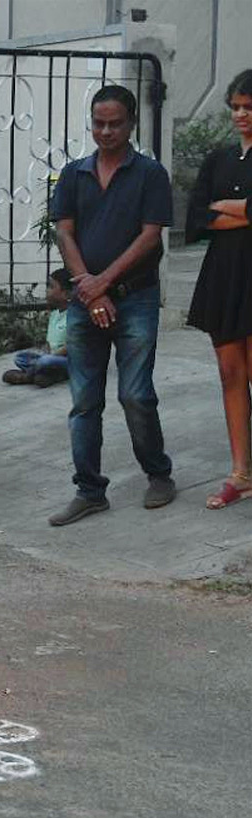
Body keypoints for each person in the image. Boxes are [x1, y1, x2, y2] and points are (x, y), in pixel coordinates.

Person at [48, 84, 175, 526]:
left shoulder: (150, 175)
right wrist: (89, 286)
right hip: (86, 302)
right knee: (84, 401)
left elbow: (149, 235)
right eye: (98, 123)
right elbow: (65, 232)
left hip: (136, 299)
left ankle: (158, 473)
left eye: (115, 123)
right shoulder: (73, 174)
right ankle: (89, 490)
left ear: (131, 123)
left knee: (135, 394)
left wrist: (103, 283)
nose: (105, 131)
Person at [185, 70, 252, 510]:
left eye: (249, 107)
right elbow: (195, 216)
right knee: (230, 373)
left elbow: (213, 210)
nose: (241, 115)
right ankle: (241, 473)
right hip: (225, 275)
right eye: (236, 107)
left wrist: (224, 208)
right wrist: (245, 210)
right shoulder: (219, 158)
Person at [2, 268, 71, 387]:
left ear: (66, 294)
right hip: (52, 357)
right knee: (20, 358)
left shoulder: (74, 315)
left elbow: (71, 346)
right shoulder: (54, 315)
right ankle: (48, 375)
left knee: (45, 361)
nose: (47, 290)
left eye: (51, 287)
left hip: (69, 360)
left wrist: (50, 356)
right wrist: (46, 353)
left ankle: (27, 376)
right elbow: (49, 343)